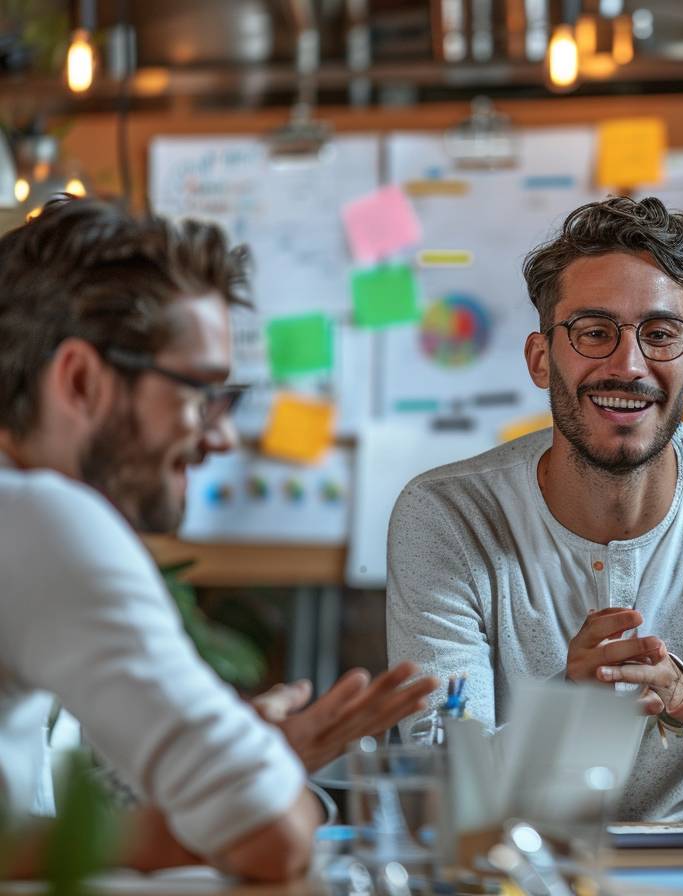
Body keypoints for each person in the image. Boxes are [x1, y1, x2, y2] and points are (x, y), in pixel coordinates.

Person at [0, 197, 435, 880]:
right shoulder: (38, 517)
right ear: (81, 382)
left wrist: (241, 773)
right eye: (199, 392)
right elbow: (277, 836)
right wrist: (245, 793)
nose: (222, 435)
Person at [387, 196, 683, 820]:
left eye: (660, 335)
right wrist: (569, 707)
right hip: (517, 869)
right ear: (541, 358)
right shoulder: (446, 516)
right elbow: (442, 787)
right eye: (594, 332)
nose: (628, 366)